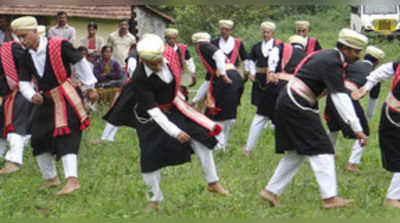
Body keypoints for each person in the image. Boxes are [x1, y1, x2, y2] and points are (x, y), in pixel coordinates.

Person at [260, 28, 368, 209]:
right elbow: (340, 98)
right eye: (356, 51)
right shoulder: (332, 62)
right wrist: (357, 128)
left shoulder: (327, 56)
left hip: (289, 101)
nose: (358, 55)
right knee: (323, 148)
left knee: (296, 152)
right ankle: (330, 198)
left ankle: (270, 192)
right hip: (296, 104)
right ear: (345, 48)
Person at [127, 33, 228, 210]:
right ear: (143, 60)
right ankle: (154, 199)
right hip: (149, 115)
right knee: (150, 157)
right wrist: (175, 132)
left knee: (201, 137)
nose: (158, 66)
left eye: (159, 61)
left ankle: (213, 182)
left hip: (174, 105)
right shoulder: (139, 78)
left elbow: (180, 76)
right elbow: (154, 111)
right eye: (153, 64)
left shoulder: (170, 54)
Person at [11, 16, 98, 195]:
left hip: (66, 96)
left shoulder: (59, 45)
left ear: (35, 32)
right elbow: (24, 81)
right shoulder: (25, 55)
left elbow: (80, 62)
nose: (21, 40)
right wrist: (31, 95)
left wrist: (90, 87)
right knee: (37, 137)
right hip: (46, 100)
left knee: (66, 135)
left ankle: (72, 180)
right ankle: (51, 178)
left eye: (24, 36)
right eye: (18, 37)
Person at [242, 35, 307, 156]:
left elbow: (273, 57)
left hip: (277, 84)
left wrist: (271, 72)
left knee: (261, 116)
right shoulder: (306, 56)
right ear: (303, 46)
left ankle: (248, 148)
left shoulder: (282, 47)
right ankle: (298, 149)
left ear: (290, 42)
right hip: (294, 89)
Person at [325, 46, 384, 172]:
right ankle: (352, 164)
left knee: (333, 126)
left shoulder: (350, 64)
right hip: (349, 96)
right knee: (364, 133)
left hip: (334, 93)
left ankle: (329, 153)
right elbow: (373, 102)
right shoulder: (375, 76)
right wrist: (367, 117)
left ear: (363, 56)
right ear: (377, 62)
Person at [352, 60, 400, 208]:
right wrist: (366, 87)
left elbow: (385, 69)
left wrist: (367, 87)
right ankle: (392, 198)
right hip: (395, 115)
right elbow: (386, 69)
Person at [191, 32, 244, 152]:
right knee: (226, 116)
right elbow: (206, 83)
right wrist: (195, 100)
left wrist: (224, 75)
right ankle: (221, 147)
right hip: (236, 78)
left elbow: (218, 55)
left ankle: (218, 148)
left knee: (216, 115)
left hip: (227, 79)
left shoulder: (203, 46)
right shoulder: (213, 67)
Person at [242, 21, 282, 152]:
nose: (265, 34)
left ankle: (273, 122)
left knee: (274, 101)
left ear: (272, 33)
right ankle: (263, 120)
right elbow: (251, 61)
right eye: (264, 32)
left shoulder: (278, 46)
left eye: (268, 32)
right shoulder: (256, 46)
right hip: (259, 77)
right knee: (259, 99)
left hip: (272, 77)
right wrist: (252, 74)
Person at [0, 38, 36, 175]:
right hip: (4, 95)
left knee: (15, 126)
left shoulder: (11, 49)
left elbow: (29, 65)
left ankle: (13, 162)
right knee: (1, 127)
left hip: (19, 91)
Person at [164, 28, 196, 97]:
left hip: (180, 75)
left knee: (183, 96)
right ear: (166, 39)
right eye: (169, 38)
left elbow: (189, 61)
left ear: (176, 38)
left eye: (174, 38)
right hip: (168, 77)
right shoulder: (163, 50)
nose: (172, 40)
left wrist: (192, 73)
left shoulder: (182, 48)